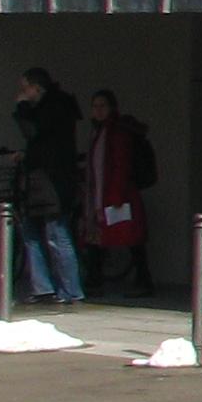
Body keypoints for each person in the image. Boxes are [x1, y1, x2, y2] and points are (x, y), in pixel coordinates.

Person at [12, 65, 85, 305]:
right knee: (33, 233)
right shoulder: (52, 107)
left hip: (53, 181)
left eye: (25, 89)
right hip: (42, 180)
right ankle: (44, 287)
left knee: (56, 234)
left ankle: (70, 290)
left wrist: (21, 108)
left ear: (36, 87)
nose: (21, 94)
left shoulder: (52, 108)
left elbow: (34, 133)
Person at [80, 87, 156, 298]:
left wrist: (115, 195)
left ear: (111, 107)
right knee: (102, 238)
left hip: (117, 195)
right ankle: (95, 279)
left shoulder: (116, 132)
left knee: (129, 240)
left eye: (102, 106)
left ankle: (141, 279)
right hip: (106, 195)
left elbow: (120, 164)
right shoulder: (99, 132)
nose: (98, 110)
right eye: (95, 106)